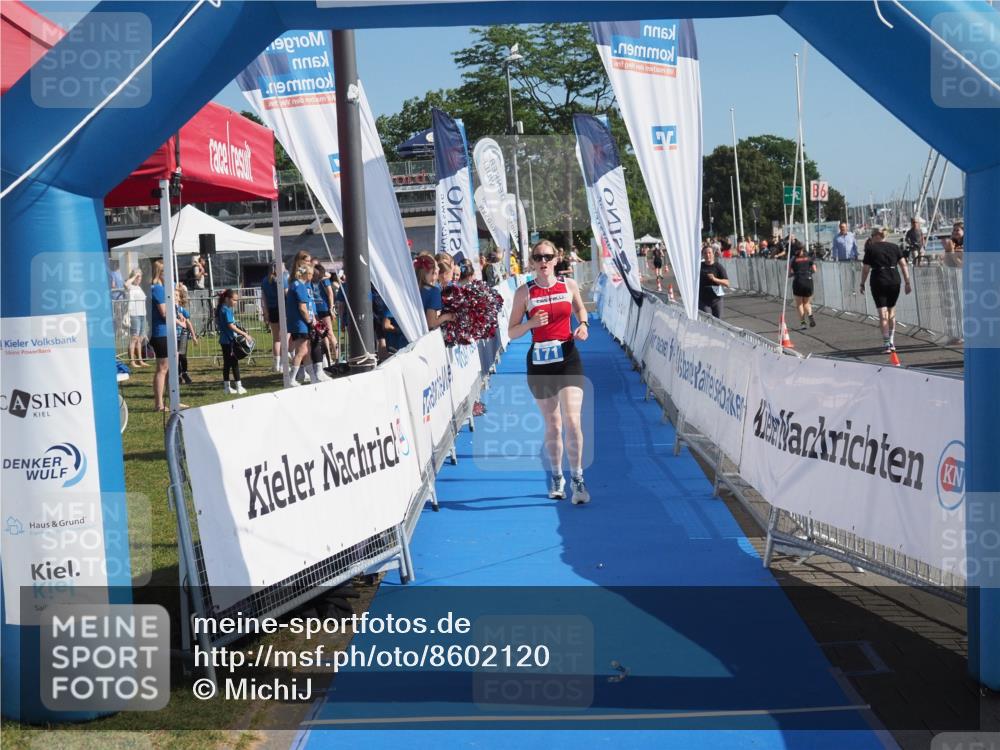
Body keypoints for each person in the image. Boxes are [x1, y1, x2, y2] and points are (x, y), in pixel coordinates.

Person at [507, 239, 591, 505]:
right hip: (540, 363)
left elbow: (579, 307)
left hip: (568, 358)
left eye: (548, 256)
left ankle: (577, 478)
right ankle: (557, 476)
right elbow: (511, 331)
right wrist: (530, 322)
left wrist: (584, 324)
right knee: (554, 425)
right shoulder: (524, 293)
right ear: (532, 261)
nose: (543, 261)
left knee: (573, 421)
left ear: (556, 259)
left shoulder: (569, 285)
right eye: (537, 257)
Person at [859, 228, 912, 353]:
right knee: (891, 310)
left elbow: (866, 269)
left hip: (879, 279)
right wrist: (907, 282)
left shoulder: (871, 249)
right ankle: (892, 341)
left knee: (883, 313)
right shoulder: (895, 247)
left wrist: (862, 283)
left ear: (877, 235)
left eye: (872, 235)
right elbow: (904, 265)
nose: (871, 238)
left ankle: (887, 344)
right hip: (894, 279)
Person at [285, 262, 325, 386]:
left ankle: (313, 377)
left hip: (297, 323)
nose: (312, 277)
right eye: (311, 274)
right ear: (307, 274)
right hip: (300, 323)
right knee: (301, 351)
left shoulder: (294, 284)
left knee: (306, 351)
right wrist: (310, 321)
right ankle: (291, 379)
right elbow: (302, 307)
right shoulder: (300, 286)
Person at [216, 289, 252, 395]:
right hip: (230, 341)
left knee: (227, 364)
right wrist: (244, 334)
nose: (236, 302)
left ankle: (227, 387)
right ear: (227, 299)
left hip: (223, 340)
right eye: (234, 300)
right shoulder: (227, 310)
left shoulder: (220, 309)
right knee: (234, 364)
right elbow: (230, 325)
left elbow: (220, 322)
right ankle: (239, 387)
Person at [414, 254, 455, 331]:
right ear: (433, 273)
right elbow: (431, 324)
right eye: (437, 272)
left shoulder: (411, 288)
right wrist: (448, 316)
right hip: (421, 337)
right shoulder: (433, 291)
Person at [261, 263, 286, 372]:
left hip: (271, 310)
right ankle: (282, 365)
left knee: (276, 339)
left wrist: (265, 312)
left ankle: (276, 365)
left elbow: (263, 299)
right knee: (284, 338)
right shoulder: (282, 279)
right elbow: (286, 294)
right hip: (282, 309)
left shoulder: (265, 280)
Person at [312, 263, 338, 365]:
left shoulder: (324, 280)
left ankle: (337, 357)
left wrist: (331, 308)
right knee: (322, 334)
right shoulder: (312, 281)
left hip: (324, 309)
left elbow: (330, 294)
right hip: (316, 310)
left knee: (330, 333)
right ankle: (327, 358)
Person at [788, 245, 818, 329]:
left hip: (798, 281)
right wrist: (807, 272)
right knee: (807, 302)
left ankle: (803, 323)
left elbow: (789, 273)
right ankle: (810, 315)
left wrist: (795, 273)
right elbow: (814, 270)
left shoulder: (793, 259)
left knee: (799, 304)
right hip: (808, 281)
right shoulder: (809, 258)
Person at [698, 245, 730, 318]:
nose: (707, 255)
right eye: (705, 253)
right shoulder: (699, 266)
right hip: (703, 300)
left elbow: (727, 283)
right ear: (703, 255)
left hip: (717, 300)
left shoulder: (718, 266)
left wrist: (715, 279)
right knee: (707, 320)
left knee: (718, 321)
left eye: (709, 253)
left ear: (713, 254)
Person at [125, 268, 148, 368]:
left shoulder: (139, 287)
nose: (139, 279)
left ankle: (140, 360)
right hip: (134, 314)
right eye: (138, 277)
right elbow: (126, 285)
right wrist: (134, 276)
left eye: (140, 277)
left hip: (142, 314)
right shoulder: (130, 286)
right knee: (134, 337)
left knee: (140, 338)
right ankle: (132, 361)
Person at [175, 284, 198, 385]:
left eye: (176, 295)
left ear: (180, 298)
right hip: (173, 336)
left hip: (183, 335)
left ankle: (185, 372)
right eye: (173, 295)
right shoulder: (169, 310)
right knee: (176, 356)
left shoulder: (181, 310)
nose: (175, 297)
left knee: (183, 356)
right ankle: (178, 375)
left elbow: (188, 323)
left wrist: (193, 336)